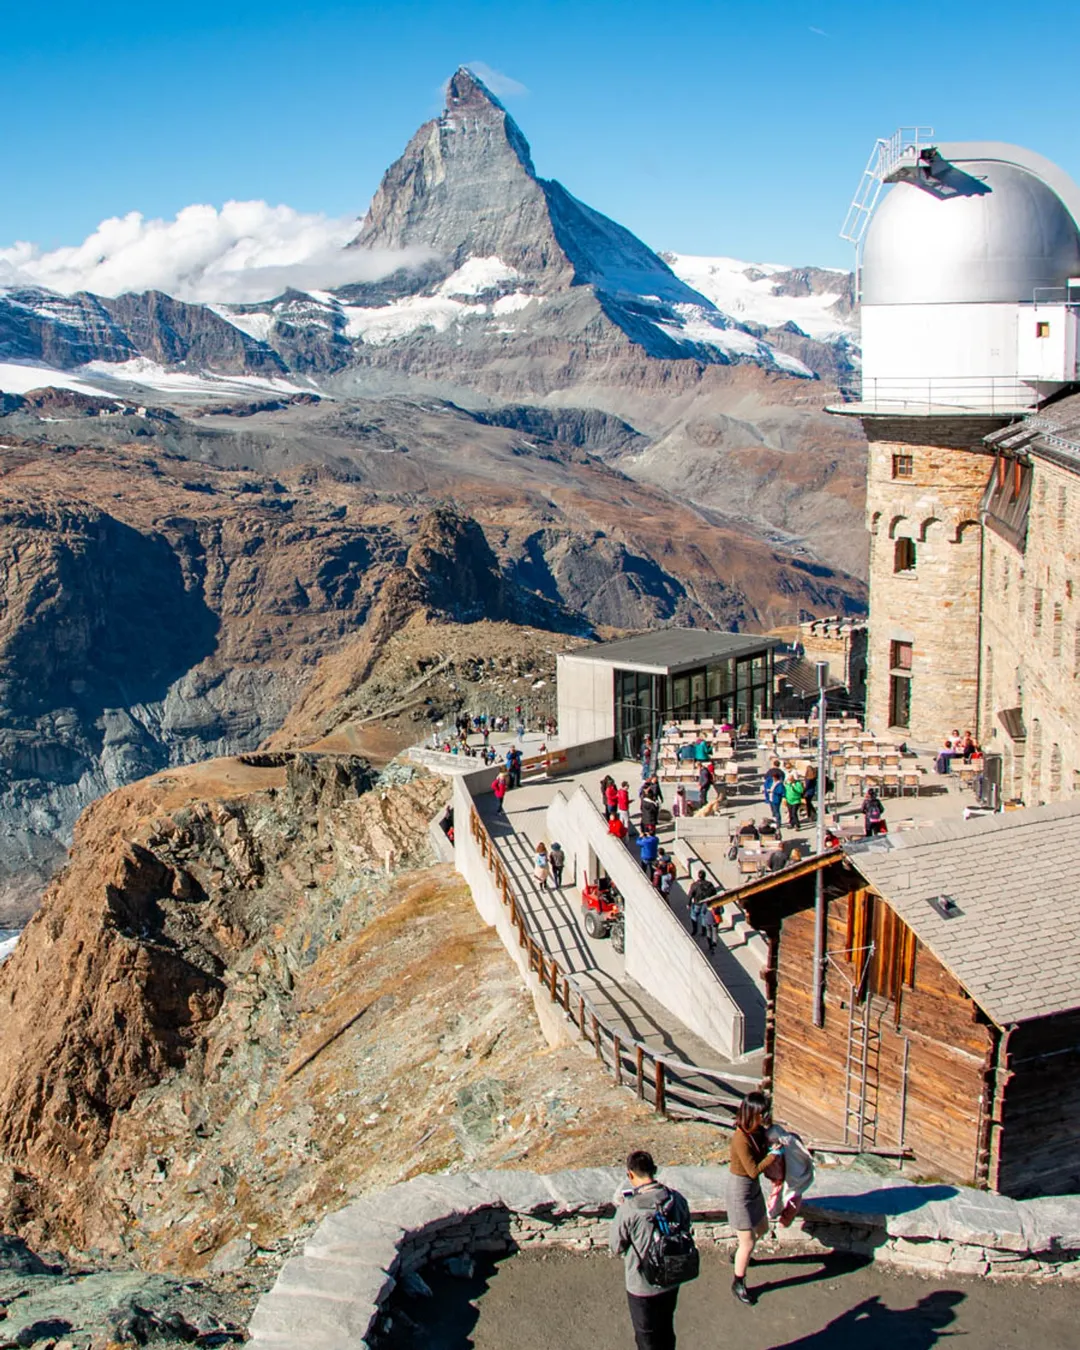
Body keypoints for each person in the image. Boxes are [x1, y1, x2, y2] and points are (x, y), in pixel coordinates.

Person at [610, 1150, 691, 1350]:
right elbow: (686, 1227)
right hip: (672, 1275)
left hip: (641, 1283)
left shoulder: (629, 1208)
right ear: (654, 1171)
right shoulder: (676, 1199)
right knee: (665, 1329)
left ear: (630, 1174)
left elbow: (616, 1246)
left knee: (646, 1336)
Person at [729, 1090, 783, 1305]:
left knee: (761, 1228)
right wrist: (773, 1156)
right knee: (748, 1241)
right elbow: (753, 1170)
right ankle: (738, 1282)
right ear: (752, 1113)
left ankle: (739, 1256)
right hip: (739, 1191)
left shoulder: (758, 1131)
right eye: (761, 1114)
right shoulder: (740, 1138)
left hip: (752, 1189)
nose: (764, 1117)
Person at [765, 1120, 815, 1227]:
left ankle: (783, 1220)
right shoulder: (777, 1140)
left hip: (788, 1174)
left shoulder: (788, 1142)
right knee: (781, 1192)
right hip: (779, 1173)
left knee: (791, 1194)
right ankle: (779, 1218)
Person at [687, 869, 716, 937]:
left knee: (693, 916)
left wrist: (689, 904)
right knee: (704, 917)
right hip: (706, 904)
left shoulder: (695, 885)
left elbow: (690, 895)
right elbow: (714, 893)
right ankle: (703, 931)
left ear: (698, 876)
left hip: (697, 903)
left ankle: (695, 930)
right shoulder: (709, 884)